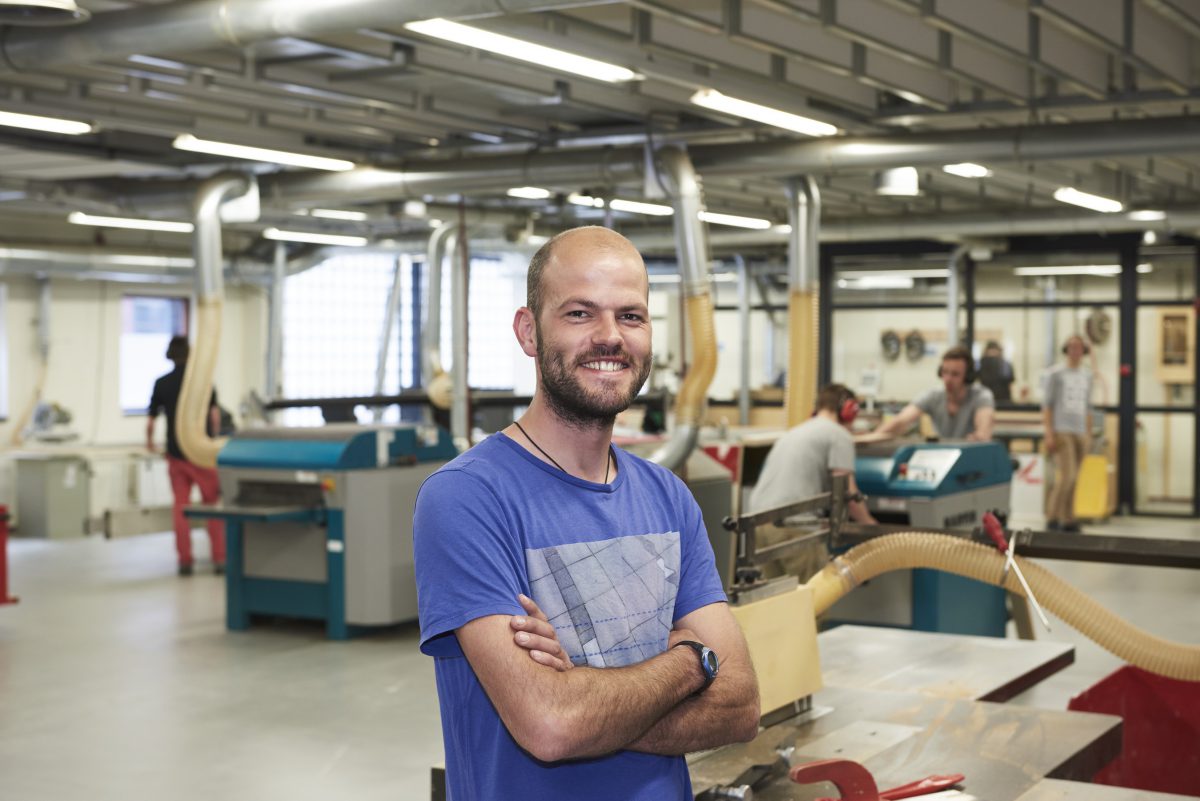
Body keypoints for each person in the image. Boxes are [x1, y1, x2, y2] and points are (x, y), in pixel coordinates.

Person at [413, 226, 760, 801]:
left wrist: (585, 696)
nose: (609, 337)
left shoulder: (669, 496)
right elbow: (551, 726)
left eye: (631, 316)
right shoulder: (467, 498)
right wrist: (689, 663)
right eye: (579, 313)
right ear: (529, 331)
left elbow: (741, 707)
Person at [146, 336, 225, 576]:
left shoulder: (161, 383)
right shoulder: (202, 384)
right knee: (212, 507)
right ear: (190, 354)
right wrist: (213, 440)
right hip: (202, 455)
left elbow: (151, 420)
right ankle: (220, 559)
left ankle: (185, 561)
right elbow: (214, 416)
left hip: (176, 455)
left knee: (181, 508)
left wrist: (149, 443)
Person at [749, 383, 877, 526]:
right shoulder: (839, 435)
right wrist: (871, 526)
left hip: (757, 520)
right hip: (791, 522)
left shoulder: (794, 432)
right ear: (848, 411)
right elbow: (847, 492)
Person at [869, 345, 995, 442]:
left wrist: (979, 437)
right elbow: (900, 421)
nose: (948, 379)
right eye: (945, 372)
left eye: (955, 374)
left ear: (968, 377)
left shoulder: (981, 396)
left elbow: (984, 432)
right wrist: (871, 439)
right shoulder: (933, 396)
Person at [1043, 334, 1094, 532]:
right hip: (1061, 429)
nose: (1075, 350)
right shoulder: (1056, 374)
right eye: (1072, 347)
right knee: (1067, 476)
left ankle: (1069, 517)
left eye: (1079, 347)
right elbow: (1047, 405)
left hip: (1080, 429)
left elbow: (1088, 406)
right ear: (1066, 349)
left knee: (1076, 477)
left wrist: (1089, 433)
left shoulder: (1087, 375)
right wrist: (1049, 432)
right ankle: (1052, 516)